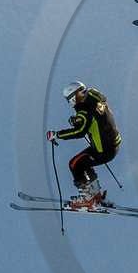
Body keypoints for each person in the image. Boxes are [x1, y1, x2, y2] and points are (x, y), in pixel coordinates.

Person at [46, 81, 122, 210]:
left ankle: (88, 199)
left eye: (71, 99)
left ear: (76, 96)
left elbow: (79, 132)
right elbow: (94, 113)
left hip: (103, 150)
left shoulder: (83, 111)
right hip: (114, 143)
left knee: (75, 164)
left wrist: (57, 135)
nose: (71, 103)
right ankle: (95, 196)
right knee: (84, 162)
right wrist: (78, 120)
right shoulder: (94, 94)